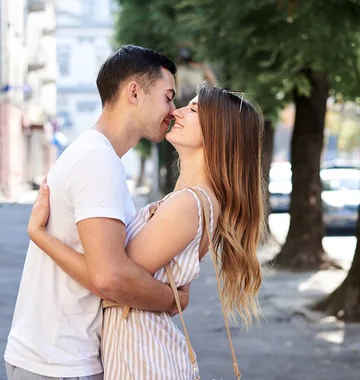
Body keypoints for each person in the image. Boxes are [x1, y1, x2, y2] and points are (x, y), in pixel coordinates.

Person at [28, 83, 265, 379]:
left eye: (193, 109)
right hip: (138, 351)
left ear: (219, 132)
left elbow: (110, 279)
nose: (176, 112)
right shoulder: (192, 199)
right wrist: (169, 296)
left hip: (143, 357)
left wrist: (40, 235)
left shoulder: (190, 203)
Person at [4, 45, 190, 380]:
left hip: (56, 359)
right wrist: (172, 300)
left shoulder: (97, 155)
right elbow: (110, 276)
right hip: (59, 363)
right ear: (134, 92)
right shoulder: (98, 160)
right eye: (168, 96)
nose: (173, 110)